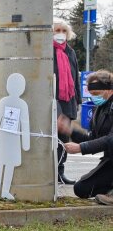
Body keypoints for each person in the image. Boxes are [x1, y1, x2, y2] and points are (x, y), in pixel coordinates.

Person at [59, 70, 113, 201]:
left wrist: (81, 148)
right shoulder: (100, 109)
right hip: (110, 160)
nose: (94, 98)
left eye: (97, 94)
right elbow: (94, 138)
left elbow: (111, 139)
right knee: (81, 188)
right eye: (91, 94)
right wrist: (70, 130)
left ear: (109, 90)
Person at [53, 18, 81, 185]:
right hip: (53, 101)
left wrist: (77, 101)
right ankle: (48, 172)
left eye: (64, 31)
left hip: (68, 101)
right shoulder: (46, 52)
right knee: (49, 140)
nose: (61, 34)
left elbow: (75, 77)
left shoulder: (70, 52)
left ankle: (60, 172)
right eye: (57, 30)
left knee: (64, 140)